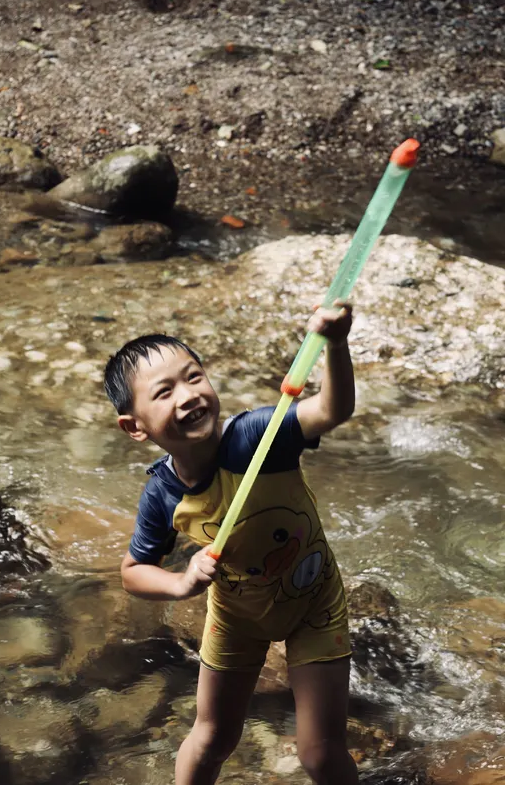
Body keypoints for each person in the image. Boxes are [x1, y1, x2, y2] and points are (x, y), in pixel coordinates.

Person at [103, 301, 358, 785]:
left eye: (194, 377)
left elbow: (332, 409)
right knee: (213, 737)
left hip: (314, 603)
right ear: (135, 427)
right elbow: (132, 573)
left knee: (320, 754)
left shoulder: (258, 436)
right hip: (236, 618)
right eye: (164, 392)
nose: (188, 395)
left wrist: (336, 344)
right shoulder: (162, 495)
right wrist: (182, 583)